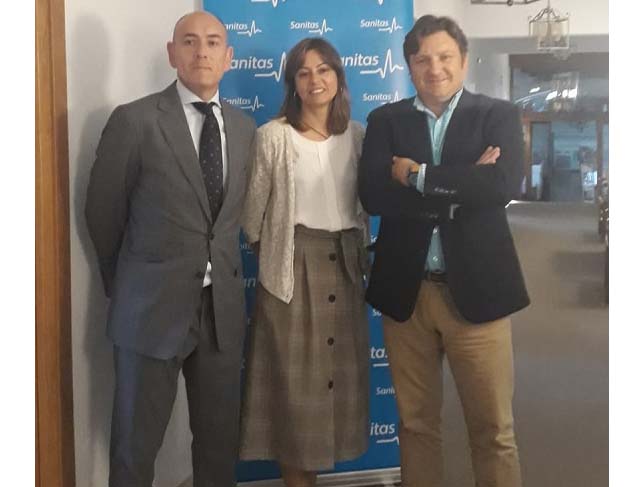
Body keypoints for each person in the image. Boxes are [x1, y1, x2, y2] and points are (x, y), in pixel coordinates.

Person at [85, 11, 256, 487]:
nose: (202, 51)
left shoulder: (244, 128)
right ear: (172, 53)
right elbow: (102, 214)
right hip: (149, 310)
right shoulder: (135, 121)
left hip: (220, 312)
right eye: (189, 41)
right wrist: (129, 285)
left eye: (213, 42)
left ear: (228, 57)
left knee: (218, 451)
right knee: (134, 451)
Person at [358, 15, 530, 487]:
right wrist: (463, 186)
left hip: (480, 290)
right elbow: (374, 196)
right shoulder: (385, 120)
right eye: (422, 59)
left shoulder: (496, 115)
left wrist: (418, 177)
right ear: (409, 65)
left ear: (464, 60)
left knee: (493, 430)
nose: (434, 68)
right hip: (407, 294)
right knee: (416, 426)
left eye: (444, 57)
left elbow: (501, 186)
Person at [240, 37, 370, 487]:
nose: (315, 80)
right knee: (294, 399)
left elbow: (366, 205)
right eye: (304, 72)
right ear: (292, 83)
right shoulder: (273, 136)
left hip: (347, 268)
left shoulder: (358, 135)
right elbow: (252, 218)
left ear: (338, 76)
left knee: (334, 394)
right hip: (291, 273)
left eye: (324, 69)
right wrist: (283, 256)